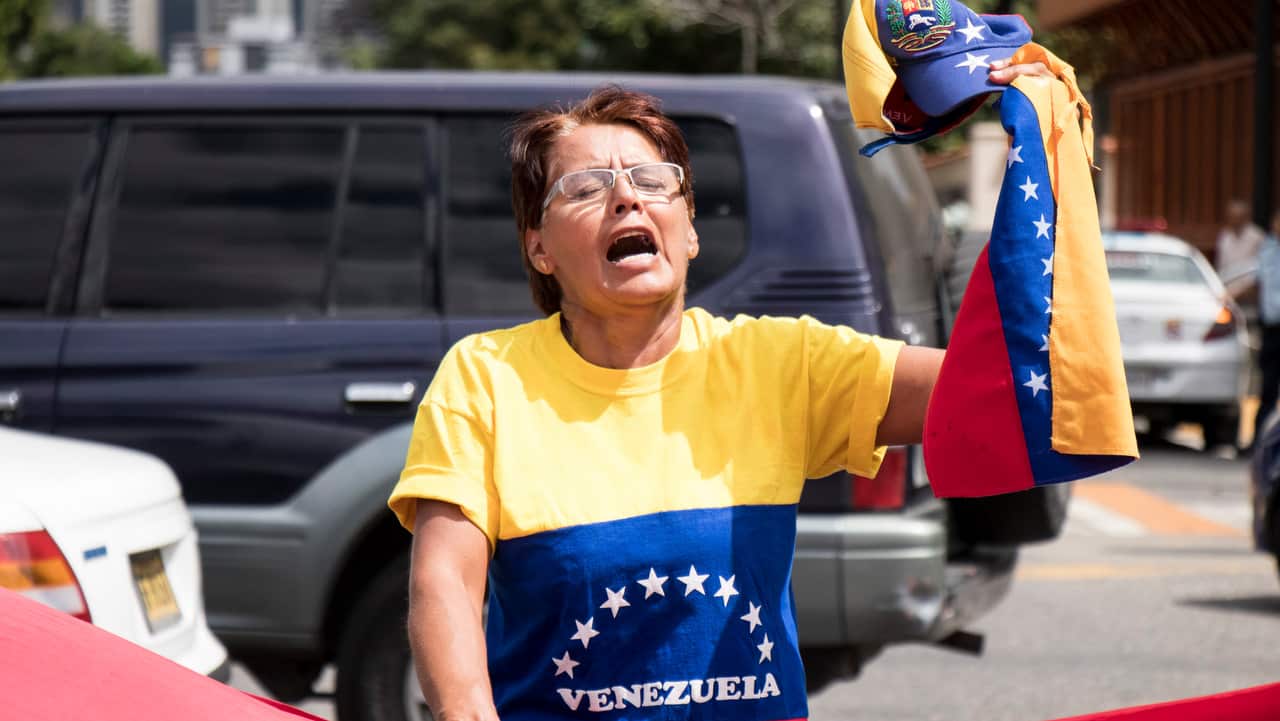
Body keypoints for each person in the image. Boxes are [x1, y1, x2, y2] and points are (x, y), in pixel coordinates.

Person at [389, 61, 1050, 721]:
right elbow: (443, 585)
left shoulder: (776, 360)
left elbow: (1005, 391)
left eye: (654, 180)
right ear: (538, 246)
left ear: (691, 229)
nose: (629, 198)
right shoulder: (485, 376)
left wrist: (1042, 134)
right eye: (586, 186)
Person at [1253, 209, 1280, 448]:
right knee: (1267, 390)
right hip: (1271, 329)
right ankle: (1258, 444)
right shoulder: (1267, 249)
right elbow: (1258, 282)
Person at [1216, 199, 1266, 303]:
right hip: (1226, 293)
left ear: (1245, 217)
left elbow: (1261, 269)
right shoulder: (1224, 236)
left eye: (1237, 217)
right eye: (1231, 216)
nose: (1233, 220)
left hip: (1248, 295)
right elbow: (1221, 264)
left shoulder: (1257, 237)